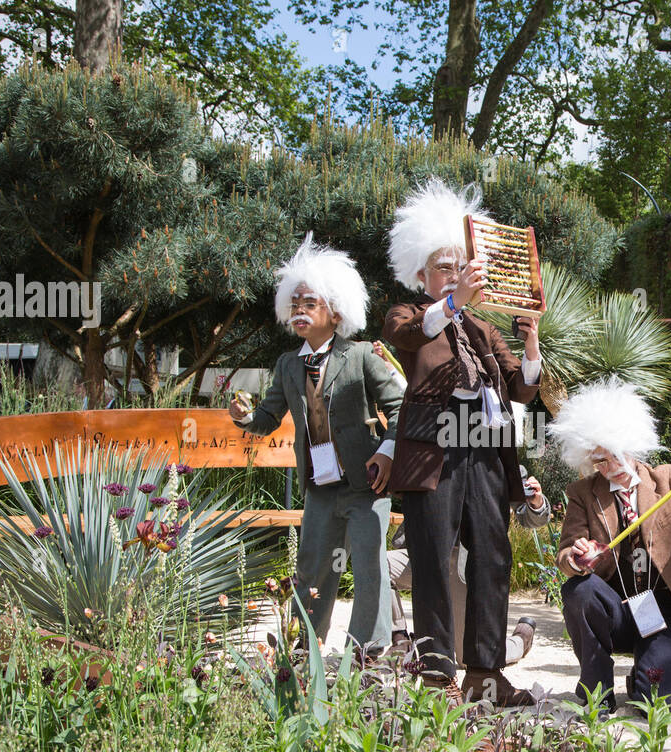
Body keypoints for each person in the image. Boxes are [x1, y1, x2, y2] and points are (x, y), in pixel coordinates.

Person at [383, 178, 542, 707]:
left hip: (487, 450)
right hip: (434, 452)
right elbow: (412, 338)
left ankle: (486, 674)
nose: (454, 273)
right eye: (443, 267)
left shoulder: (483, 328)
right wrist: (454, 301)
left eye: (459, 264)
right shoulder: (409, 314)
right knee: (431, 558)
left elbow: (523, 386)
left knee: (493, 559)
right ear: (422, 275)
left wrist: (532, 341)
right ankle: (435, 677)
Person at [230, 234, 404, 656]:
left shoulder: (362, 355)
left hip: (366, 486)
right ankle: (302, 647)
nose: (300, 311)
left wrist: (385, 451)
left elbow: (402, 409)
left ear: (335, 311)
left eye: (310, 303)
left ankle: (370, 653)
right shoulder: (288, 365)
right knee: (312, 569)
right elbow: (268, 418)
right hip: (320, 486)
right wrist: (244, 418)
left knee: (368, 568)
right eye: (295, 304)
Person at [548, 377, 671, 715]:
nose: (610, 467)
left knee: (663, 707)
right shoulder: (582, 493)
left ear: (632, 443)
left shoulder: (666, 479)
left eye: (615, 455)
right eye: (600, 461)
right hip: (616, 610)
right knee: (578, 590)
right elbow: (565, 552)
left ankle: (641, 681)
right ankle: (597, 690)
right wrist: (577, 557)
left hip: (662, 609)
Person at [387, 463, 547, 667]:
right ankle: (400, 640)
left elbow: (530, 518)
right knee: (381, 566)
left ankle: (519, 642)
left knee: (469, 659)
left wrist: (536, 502)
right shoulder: (433, 453)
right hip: (424, 556)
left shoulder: (502, 464)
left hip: (461, 564)